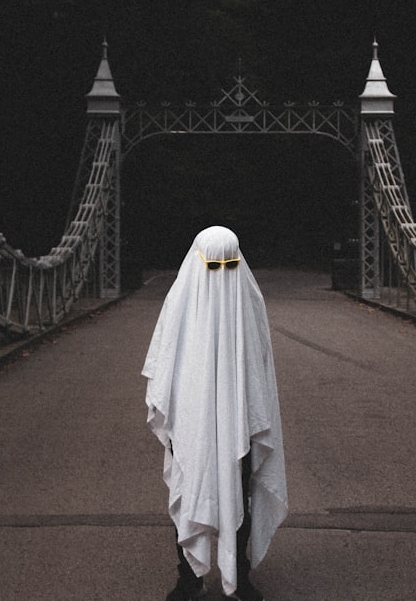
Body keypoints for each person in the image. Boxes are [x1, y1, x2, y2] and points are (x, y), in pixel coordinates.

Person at [142, 226, 288, 601]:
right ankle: (192, 577)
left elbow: (259, 368)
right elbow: (165, 366)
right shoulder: (189, 302)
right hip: (192, 419)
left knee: (232, 491)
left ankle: (233, 576)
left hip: (236, 420)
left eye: (228, 266)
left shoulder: (239, 301)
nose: (220, 277)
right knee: (194, 486)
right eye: (213, 267)